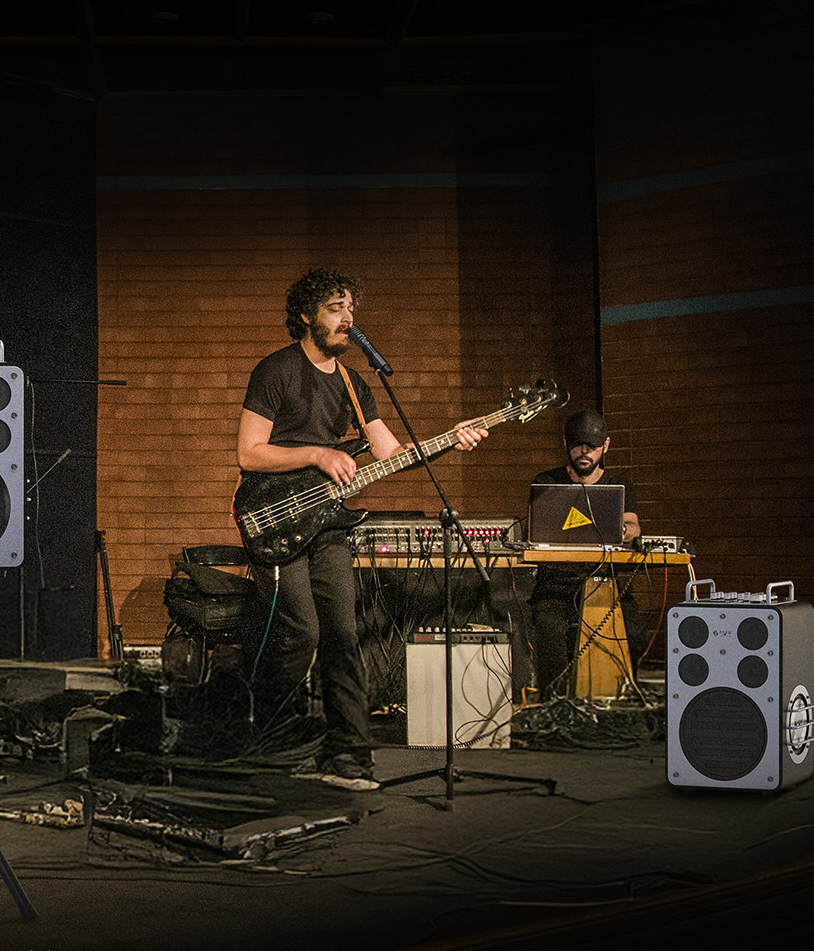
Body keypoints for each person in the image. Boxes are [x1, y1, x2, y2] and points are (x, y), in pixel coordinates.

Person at [237, 268, 483, 789]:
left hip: (327, 524)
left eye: (351, 308)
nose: (348, 318)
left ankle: (347, 755)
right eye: (335, 308)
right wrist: (318, 454)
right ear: (306, 315)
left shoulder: (354, 382)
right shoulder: (276, 370)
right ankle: (270, 743)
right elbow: (249, 452)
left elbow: (391, 453)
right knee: (299, 632)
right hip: (274, 518)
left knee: (343, 636)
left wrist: (449, 440)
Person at [525, 409, 641, 697]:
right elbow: (535, 530)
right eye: (577, 444)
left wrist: (620, 529)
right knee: (549, 627)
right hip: (557, 585)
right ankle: (555, 703)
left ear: (606, 445)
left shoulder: (618, 484)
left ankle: (615, 698)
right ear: (565, 443)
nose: (584, 452)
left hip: (604, 582)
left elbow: (633, 525)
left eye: (592, 445)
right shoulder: (547, 481)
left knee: (635, 631)